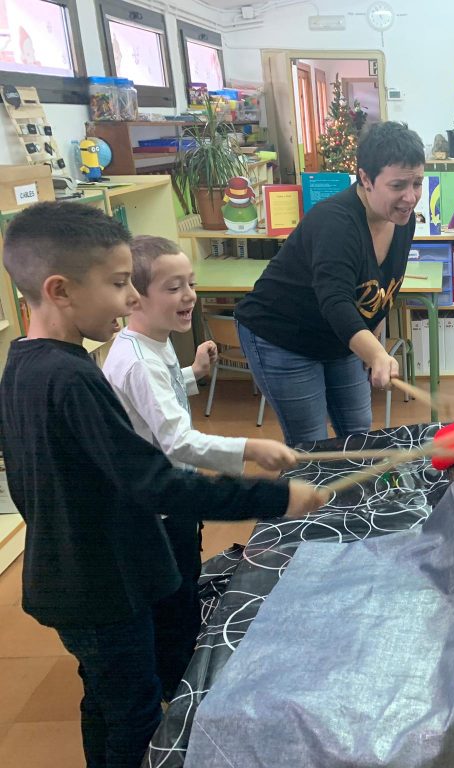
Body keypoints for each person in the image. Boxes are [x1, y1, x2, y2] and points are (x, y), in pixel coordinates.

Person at [0, 201, 328, 768]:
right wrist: (277, 495)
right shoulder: (73, 378)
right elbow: (157, 483)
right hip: (101, 587)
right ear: (60, 290)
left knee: (106, 699)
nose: (130, 298)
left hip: (71, 577)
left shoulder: (25, 364)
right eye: (118, 284)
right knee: (134, 716)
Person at [102, 234, 298, 699]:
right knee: (173, 598)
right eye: (173, 288)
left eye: (189, 283)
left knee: (183, 581)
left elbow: (157, 400)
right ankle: (177, 690)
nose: (189, 295)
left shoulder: (152, 343)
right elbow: (178, 439)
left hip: (170, 494)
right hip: (157, 505)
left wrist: (193, 374)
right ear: (134, 298)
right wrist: (249, 448)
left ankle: (178, 656)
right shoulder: (138, 362)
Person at [234, 121, 426, 445]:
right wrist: (376, 354)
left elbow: (381, 292)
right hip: (282, 335)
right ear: (366, 178)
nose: (410, 197)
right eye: (398, 185)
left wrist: (373, 345)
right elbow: (336, 301)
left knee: (358, 433)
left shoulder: (401, 219)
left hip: (337, 335)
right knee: (313, 444)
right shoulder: (336, 222)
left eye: (417, 183)